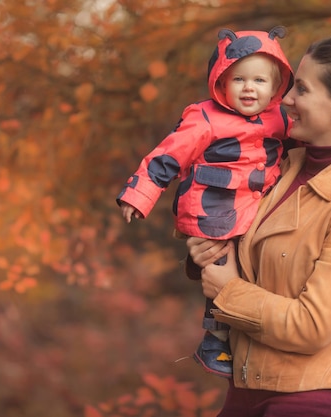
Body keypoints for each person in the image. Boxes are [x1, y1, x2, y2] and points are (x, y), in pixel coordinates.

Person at [185, 25, 331, 417]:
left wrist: (230, 290)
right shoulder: (279, 164)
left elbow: (312, 326)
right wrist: (206, 252)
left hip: (311, 400)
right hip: (245, 390)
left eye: (302, 90)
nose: (285, 98)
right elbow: (254, 261)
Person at [116, 27, 294, 378]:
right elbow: (167, 156)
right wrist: (139, 195)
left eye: (259, 80)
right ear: (221, 81)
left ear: (276, 88)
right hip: (215, 207)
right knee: (220, 265)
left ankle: (246, 335)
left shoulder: (281, 118)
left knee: (254, 266)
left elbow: (306, 144)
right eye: (238, 79)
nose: (248, 88)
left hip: (255, 208)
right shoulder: (205, 118)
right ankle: (214, 341)